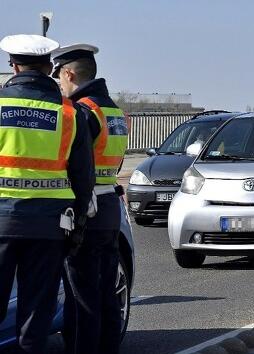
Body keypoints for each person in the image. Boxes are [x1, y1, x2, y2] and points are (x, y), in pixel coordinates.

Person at [0, 34, 93, 353]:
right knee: (36, 316)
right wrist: (78, 226)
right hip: (49, 228)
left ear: (13, 66)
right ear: (49, 67)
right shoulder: (71, 115)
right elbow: (84, 179)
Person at [53, 43, 128, 354]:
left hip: (88, 209)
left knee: (81, 297)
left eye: (58, 77)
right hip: (110, 205)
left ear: (70, 73)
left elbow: (74, 163)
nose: (58, 83)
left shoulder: (84, 112)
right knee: (107, 294)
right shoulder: (113, 111)